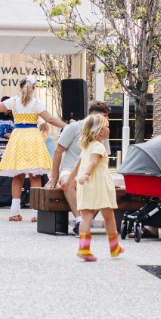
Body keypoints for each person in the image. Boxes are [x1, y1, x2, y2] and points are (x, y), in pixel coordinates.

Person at [0, 76, 67, 222]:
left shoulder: (13, 101)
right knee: (35, 175)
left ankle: (14, 212)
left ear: (20, 88)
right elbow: (50, 120)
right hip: (33, 137)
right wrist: (68, 126)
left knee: (18, 175)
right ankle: (37, 214)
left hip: (18, 137)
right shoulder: (37, 103)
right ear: (33, 89)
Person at [48, 100, 111, 235]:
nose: (108, 122)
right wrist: (54, 177)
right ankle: (79, 220)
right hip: (70, 169)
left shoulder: (102, 133)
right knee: (68, 183)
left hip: (92, 172)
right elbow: (58, 151)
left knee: (102, 188)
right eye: (106, 117)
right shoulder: (73, 128)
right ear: (102, 116)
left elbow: (100, 160)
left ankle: (84, 223)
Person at [75, 114, 123, 262]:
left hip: (87, 185)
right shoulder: (99, 146)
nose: (109, 129)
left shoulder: (86, 147)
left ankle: (83, 248)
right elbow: (93, 162)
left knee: (86, 217)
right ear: (100, 131)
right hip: (98, 185)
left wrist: (81, 177)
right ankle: (114, 246)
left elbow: (85, 162)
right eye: (107, 126)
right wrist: (87, 174)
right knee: (108, 216)